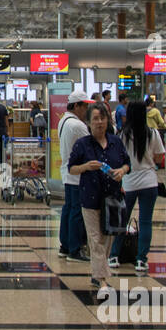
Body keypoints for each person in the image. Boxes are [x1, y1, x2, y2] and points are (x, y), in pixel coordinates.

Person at [67, 102, 130, 292]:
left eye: (102, 118)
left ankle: (96, 275)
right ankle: (102, 280)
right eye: (95, 119)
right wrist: (87, 166)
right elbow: (72, 168)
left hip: (112, 198)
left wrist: (122, 171)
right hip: (90, 198)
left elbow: (127, 163)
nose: (100, 122)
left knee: (107, 237)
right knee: (95, 239)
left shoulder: (115, 142)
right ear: (88, 122)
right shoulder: (82, 144)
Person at [111, 100, 165, 276]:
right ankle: (141, 259)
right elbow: (159, 158)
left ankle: (114, 256)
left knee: (122, 221)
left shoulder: (122, 135)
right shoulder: (153, 133)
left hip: (129, 182)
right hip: (149, 182)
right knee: (145, 221)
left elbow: (117, 159)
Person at [57, 92, 91, 261]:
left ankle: (65, 245)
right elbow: (91, 147)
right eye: (85, 106)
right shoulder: (78, 126)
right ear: (76, 106)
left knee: (69, 209)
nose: (87, 109)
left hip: (67, 171)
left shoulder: (63, 120)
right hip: (78, 173)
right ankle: (75, 249)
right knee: (76, 211)